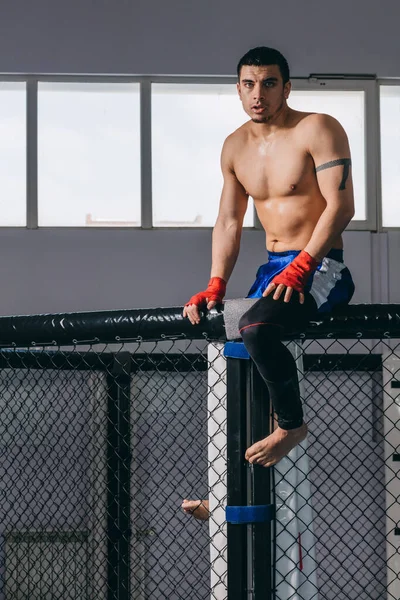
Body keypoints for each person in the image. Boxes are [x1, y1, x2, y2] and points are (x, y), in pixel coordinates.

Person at [182, 46, 355, 471]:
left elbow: (341, 207)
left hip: (318, 266)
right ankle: (223, 490)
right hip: (271, 271)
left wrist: (303, 265)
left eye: (269, 83)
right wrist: (216, 283)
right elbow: (228, 222)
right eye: (248, 84)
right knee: (229, 351)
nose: (258, 93)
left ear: (287, 87)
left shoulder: (317, 129)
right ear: (238, 90)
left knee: (257, 328)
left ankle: (293, 426)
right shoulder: (235, 147)